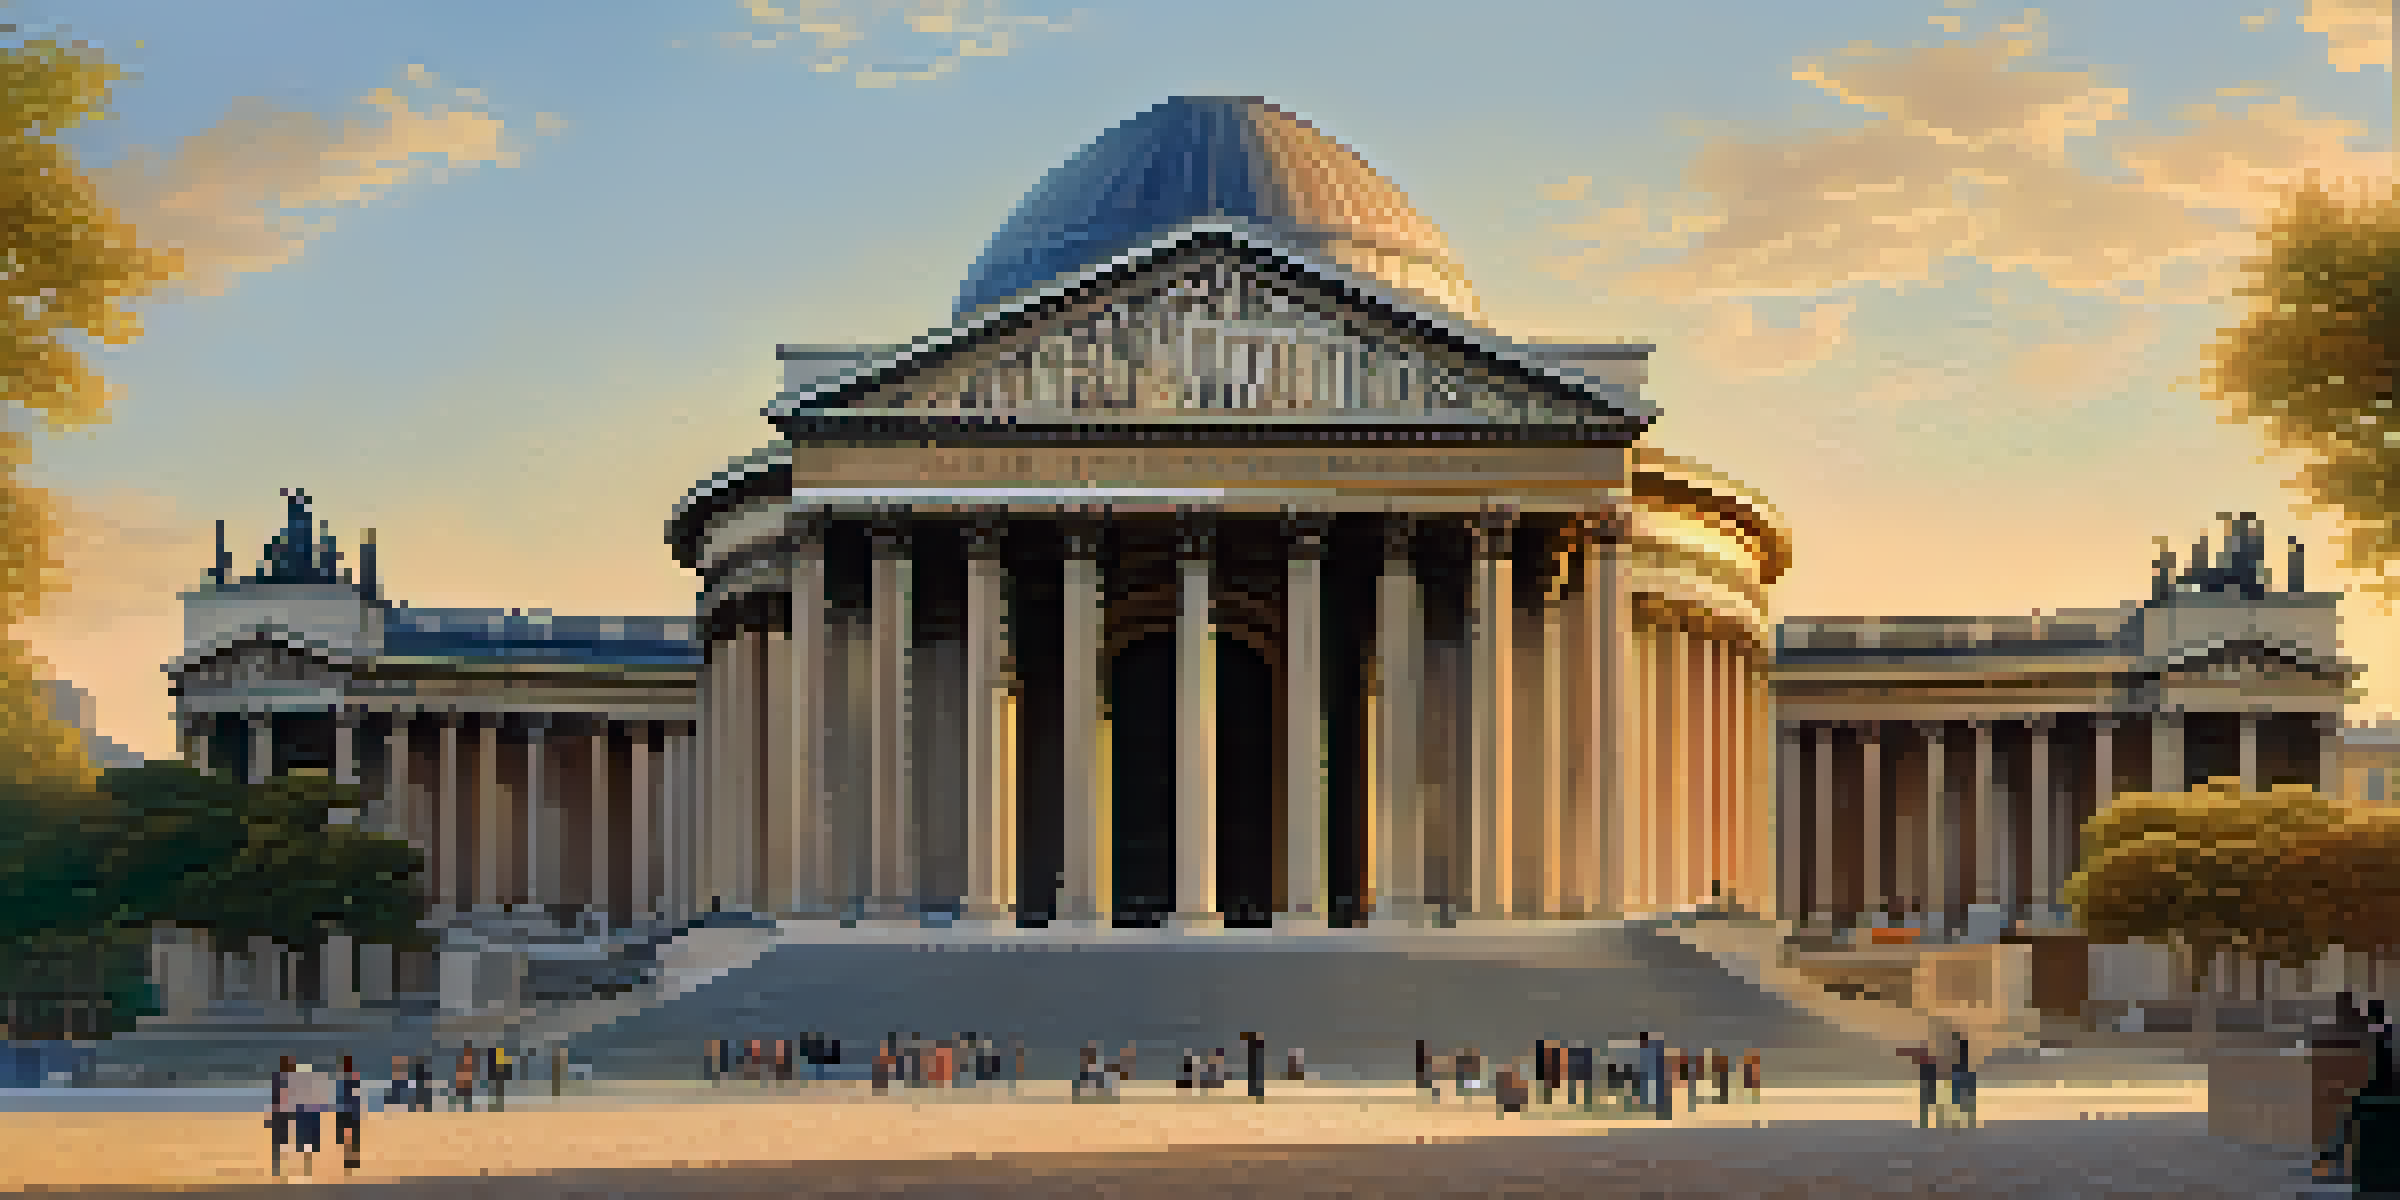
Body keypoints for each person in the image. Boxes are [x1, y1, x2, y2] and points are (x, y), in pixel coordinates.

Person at [287, 1062, 332, 1176]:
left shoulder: (302, 1088)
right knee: (307, 1144)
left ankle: (307, 1168)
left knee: (307, 1144)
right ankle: (307, 1168)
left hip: (308, 1114)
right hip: (307, 1114)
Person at [267, 1054, 296, 1177]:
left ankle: (278, 1168)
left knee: (282, 1142)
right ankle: (277, 1168)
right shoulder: (279, 1079)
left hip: (284, 1113)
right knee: (279, 1142)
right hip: (280, 1114)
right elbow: (275, 1099)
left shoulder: (289, 1080)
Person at [334, 1055, 363, 1172]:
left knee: (350, 1137)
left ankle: (351, 1161)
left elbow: (353, 1097)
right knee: (349, 1137)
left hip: (348, 1111)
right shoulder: (343, 1079)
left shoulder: (346, 1078)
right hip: (347, 1111)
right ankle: (350, 1161)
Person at [453, 1044, 478, 1112]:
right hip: (463, 1082)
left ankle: (467, 1111)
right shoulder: (461, 1060)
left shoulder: (471, 1060)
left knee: (467, 1099)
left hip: (468, 1082)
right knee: (461, 1100)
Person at [1243, 1032, 1266, 1104]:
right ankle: (1255, 1097)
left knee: (1257, 1078)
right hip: (1254, 1064)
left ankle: (1257, 1097)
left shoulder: (1258, 1048)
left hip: (1256, 1065)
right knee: (1254, 1078)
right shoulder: (1253, 1048)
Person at [489, 1043, 512, 1111]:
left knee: (499, 1092)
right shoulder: (492, 1052)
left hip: (499, 1076)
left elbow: (507, 1065)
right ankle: (497, 1107)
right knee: (496, 1092)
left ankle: (498, 1107)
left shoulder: (503, 1052)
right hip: (496, 1076)